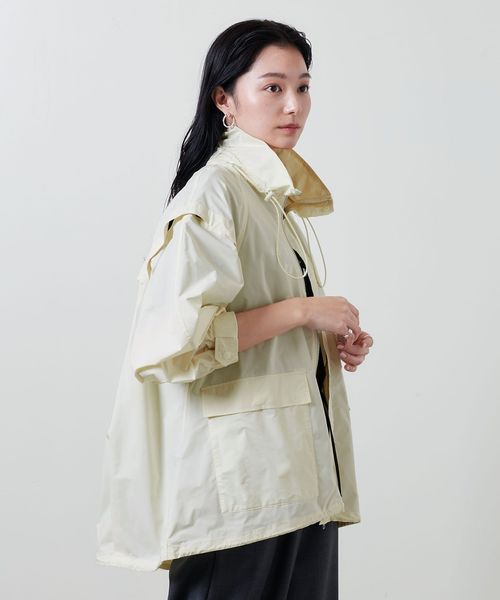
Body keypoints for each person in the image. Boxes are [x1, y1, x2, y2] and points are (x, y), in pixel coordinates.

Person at [95, 18, 373, 599]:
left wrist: (325, 339)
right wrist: (302, 312)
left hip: (298, 477)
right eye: (273, 87)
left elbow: (256, 326)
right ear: (224, 98)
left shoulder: (269, 196)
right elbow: (177, 343)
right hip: (239, 491)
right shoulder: (216, 192)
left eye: (303, 86)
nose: (294, 104)